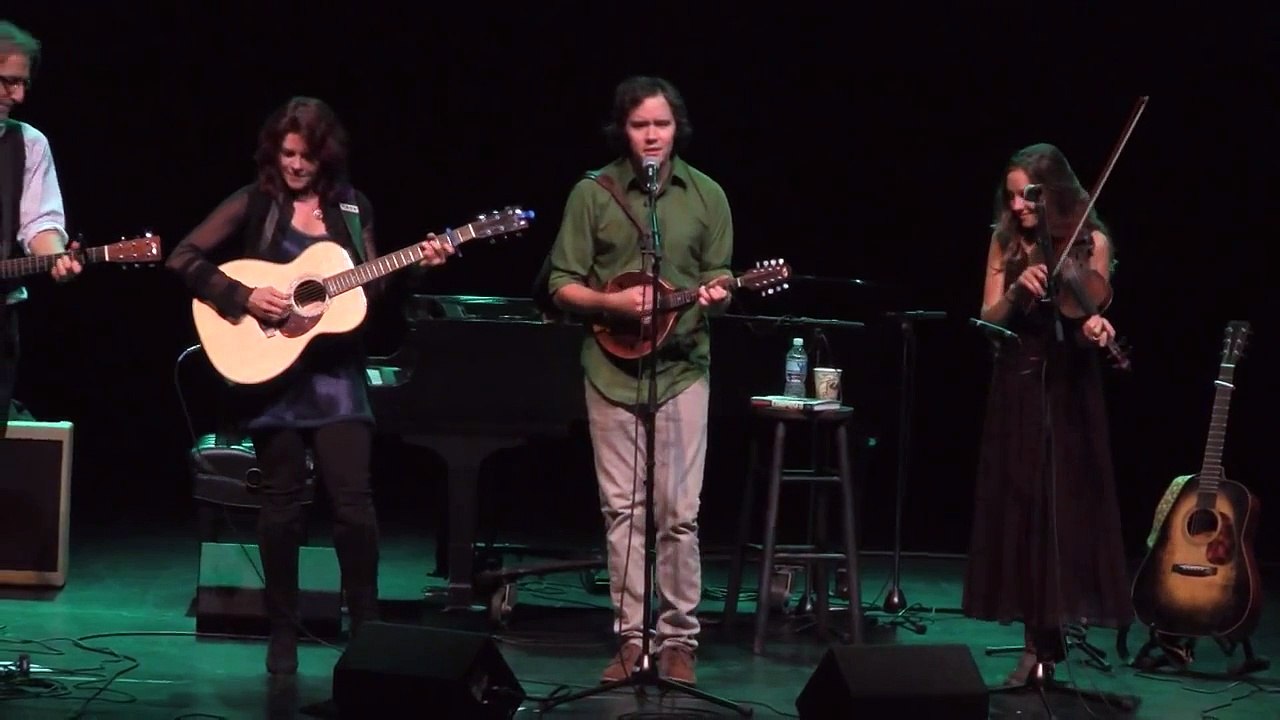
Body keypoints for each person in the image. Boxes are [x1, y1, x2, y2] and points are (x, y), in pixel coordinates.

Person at [166, 96, 453, 675]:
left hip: (335, 376)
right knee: (280, 509)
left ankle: (367, 628)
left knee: (353, 505)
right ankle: (283, 629)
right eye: (287, 154)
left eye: (306, 157)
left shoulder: (351, 208)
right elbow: (182, 257)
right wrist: (243, 296)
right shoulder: (256, 202)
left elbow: (369, 289)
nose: (295, 166)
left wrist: (417, 264)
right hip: (272, 376)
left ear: (326, 157)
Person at [544, 76, 733, 686]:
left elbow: (720, 279)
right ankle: (631, 640)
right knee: (623, 510)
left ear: (678, 128)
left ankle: (679, 641)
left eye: (662, 124)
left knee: (678, 513)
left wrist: (720, 292)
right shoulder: (592, 195)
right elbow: (560, 284)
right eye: (639, 125)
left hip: (681, 369)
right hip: (610, 369)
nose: (652, 136)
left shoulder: (707, 196)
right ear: (621, 130)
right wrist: (614, 307)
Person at [962, 142, 1133, 685]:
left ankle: (1054, 638)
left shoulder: (1092, 241)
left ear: (1054, 190)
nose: (1017, 208)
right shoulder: (1004, 241)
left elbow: (1089, 307)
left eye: (1029, 196)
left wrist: (1093, 327)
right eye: (1011, 197)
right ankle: (1034, 644)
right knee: (1023, 509)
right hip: (1018, 384)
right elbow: (987, 318)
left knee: (1065, 514)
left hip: (1070, 391)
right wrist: (1015, 289)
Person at [0, 20, 83, 426]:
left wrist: (54, 258)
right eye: (8, 82)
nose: (17, 95)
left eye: (23, 84)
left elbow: (40, 223)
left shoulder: (29, 144)